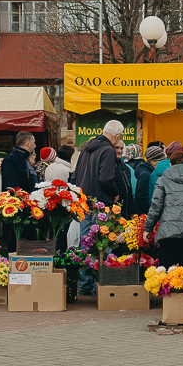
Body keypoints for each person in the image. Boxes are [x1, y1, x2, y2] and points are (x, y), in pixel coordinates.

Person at [75, 121, 122, 295]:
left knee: (85, 244)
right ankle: (100, 286)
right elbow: (106, 178)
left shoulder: (87, 148)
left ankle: (85, 284)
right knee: (103, 245)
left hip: (85, 203)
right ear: (117, 136)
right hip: (101, 204)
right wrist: (115, 193)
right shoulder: (108, 150)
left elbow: (77, 173)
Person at [133, 146, 163, 216]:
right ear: (152, 161)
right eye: (160, 160)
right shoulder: (146, 175)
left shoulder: (150, 172)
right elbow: (142, 197)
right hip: (146, 215)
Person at [113, 139, 137, 216]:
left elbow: (129, 190)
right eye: (117, 148)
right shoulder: (108, 166)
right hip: (113, 211)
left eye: (121, 148)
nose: (119, 151)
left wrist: (132, 211)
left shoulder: (125, 168)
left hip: (126, 211)